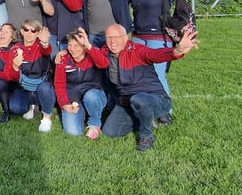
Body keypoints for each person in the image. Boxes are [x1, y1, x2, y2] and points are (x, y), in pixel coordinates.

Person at [83, 23, 199, 151]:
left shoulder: (137, 50)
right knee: (110, 132)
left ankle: (146, 136)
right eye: (109, 37)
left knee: (139, 100)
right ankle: (144, 118)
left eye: (116, 37)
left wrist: (177, 51)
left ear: (125, 38)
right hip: (127, 101)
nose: (112, 41)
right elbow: (96, 60)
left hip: (156, 99)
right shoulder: (105, 52)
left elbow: (155, 54)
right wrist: (83, 47)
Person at [130, 0, 230, 99]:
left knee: (157, 75)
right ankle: (143, 105)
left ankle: (165, 109)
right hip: (137, 37)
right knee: (137, 74)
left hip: (158, 37)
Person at [53, 28, 107, 139]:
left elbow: (104, 64)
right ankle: (82, 111)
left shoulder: (93, 53)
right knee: (72, 132)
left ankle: (94, 125)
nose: (72, 49)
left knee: (91, 97)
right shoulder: (63, 59)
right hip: (73, 95)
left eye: (76, 45)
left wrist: (88, 46)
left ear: (84, 45)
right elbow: (59, 84)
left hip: (93, 93)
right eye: (69, 45)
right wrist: (64, 104)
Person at [9, 20, 56, 133]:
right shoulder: (14, 49)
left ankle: (46, 118)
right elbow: (11, 76)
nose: (29, 33)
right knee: (15, 108)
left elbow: (47, 50)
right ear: (22, 31)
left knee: (46, 88)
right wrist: (15, 66)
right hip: (24, 87)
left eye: (33, 30)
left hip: (41, 85)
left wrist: (45, 42)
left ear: (38, 33)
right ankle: (32, 106)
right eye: (26, 30)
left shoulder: (41, 46)